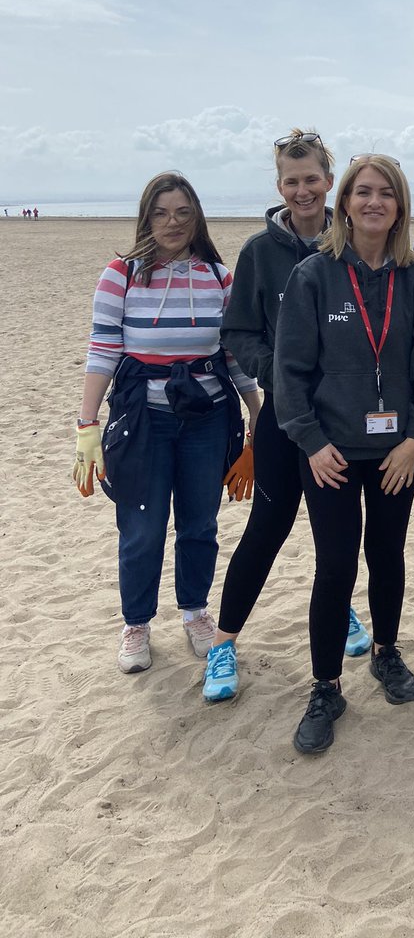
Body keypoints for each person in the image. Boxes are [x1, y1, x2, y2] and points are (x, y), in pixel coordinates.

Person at [275, 154, 414, 754]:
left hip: (396, 453)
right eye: (362, 192)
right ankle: (326, 686)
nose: (374, 202)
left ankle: (386, 652)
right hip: (330, 455)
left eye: (386, 194)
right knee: (335, 566)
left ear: (400, 206)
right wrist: (312, 442)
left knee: (388, 554)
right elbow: (289, 372)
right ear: (344, 202)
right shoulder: (314, 276)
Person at [202, 131, 372, 704]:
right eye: (291, 181)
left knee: (336, 539)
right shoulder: (259, 252)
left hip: (342, 423)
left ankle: (338, 610)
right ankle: (224, 641)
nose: (303, 190)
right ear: (280, 187)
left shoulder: (352, 245)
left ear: (330, 182)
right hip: (282, 418)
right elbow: (237, 333)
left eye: (312, 179)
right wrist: (276, 370)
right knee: (267, 530)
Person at [73, 172, 261, 674]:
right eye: (161, 212)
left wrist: (256, 413)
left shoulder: (220, 278)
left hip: (207, 417)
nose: (172, 222)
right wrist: (86, 424)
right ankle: (136, 623)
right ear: (146, 217)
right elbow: (103, 346)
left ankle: (195, 612)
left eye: (182, 212)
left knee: (200, 522)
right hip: (142, 418)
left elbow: (234, 353)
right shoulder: (121, 274)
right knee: (141, 526)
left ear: (196, 216)